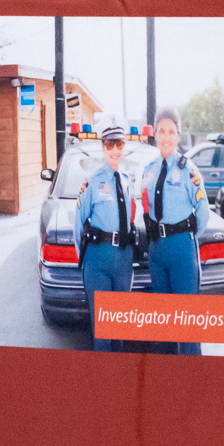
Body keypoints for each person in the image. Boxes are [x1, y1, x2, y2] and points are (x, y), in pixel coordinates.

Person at [143, 111, 208, 355]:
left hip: (182, 249)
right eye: (162, 131)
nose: (166, 137)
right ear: (155, 135)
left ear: (178, 136)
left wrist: (186, 239)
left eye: (171, 132)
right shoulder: (148, 170)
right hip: (157, 251)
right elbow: (146, 207)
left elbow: (203, 211)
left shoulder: (188, 170)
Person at [73, 127, 141, 352]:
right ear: (103, 147)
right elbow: (78, 222)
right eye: (109, 145)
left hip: (123, 261)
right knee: (103, 333)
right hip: (98, 260)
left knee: (120, 329)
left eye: (119, 144)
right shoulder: (92, 181)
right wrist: (84, 262)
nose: (114, 150)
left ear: (124, 147)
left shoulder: (126, 180)